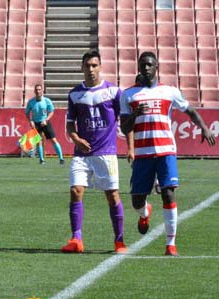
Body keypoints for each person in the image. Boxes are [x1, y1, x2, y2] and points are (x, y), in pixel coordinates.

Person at [120, 51, 216, 256]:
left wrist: (204, 127)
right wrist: (135, 114)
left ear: (156, 67)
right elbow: (124, 127)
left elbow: (189, 110)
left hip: (166, 151)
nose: (146, 68)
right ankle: (144, 213)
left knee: (168, 192)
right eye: (142, 65)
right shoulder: (128, 95)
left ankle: (170, 244)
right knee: (137, 200)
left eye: (149, 65)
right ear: (138, 68)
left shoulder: (169, 91)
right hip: (143, 153)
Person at [61, 50, 127, 254]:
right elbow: (70, 126)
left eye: (94, 65)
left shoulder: (114, 92)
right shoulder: (74, 94)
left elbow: (124, 119)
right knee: (75, 191)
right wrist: (76, 139)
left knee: (112, 196)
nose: (91, 69)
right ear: (82, 68)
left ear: (100, 67)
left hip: (106, 153)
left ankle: (119, 241)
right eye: (87, 65)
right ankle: (76, 239)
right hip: (82, 154)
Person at [25, 84, 65, 165]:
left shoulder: (47, 101)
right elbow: (27, 113)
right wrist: (31, 121)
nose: (38, 91)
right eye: (36, 90)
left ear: (42, 91)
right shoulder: (31, 102)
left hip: (45, 123)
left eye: (39, 89)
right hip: (36, 124)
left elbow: (51, 111)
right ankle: (41, 160)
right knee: (38, 141)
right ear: (34, 91)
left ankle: (61, 158)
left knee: (53, 140)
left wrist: (46, 120)